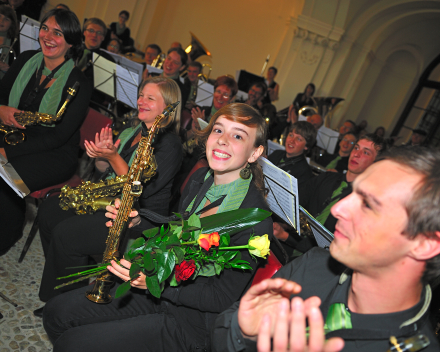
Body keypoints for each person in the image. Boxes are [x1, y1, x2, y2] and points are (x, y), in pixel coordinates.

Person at [43, 103, 274, 352]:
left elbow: (220, 297)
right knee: (56, 312)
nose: (223, 140)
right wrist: (137, 221)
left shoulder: (254, 220)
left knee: (72, 344)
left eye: (238, 135)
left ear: (254, 153)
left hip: (190, 324)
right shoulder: (201, 179)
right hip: (160, 288)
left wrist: (158, 283)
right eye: (218, 130)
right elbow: (174, 229)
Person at [213, 146, 440, 352]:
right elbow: (218, 336)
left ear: (424, 244)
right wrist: (242, 332)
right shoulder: (315, 264)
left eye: (369, 204)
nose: (339, 209)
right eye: (353, 193)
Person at [35, 77, 183, 314]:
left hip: (140, 217)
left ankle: (64, 304)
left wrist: (114, 157)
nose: (140, 101)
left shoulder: (170, 144)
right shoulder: (135, 129)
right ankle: (63, 284)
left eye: (150, 98)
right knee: (50, 211)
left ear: (167, 107)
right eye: (141, 95)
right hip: (113, 200)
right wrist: (102, 157)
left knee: (67, 235)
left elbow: (139, 191)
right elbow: (107, 172)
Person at [0, 8, 91, 255]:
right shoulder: (26, 58)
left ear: (71, 42)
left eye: (58, 33)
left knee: (5, 178)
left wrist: (6, 151)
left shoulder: (79, 83)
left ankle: (7, 233)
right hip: (16, 135)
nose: (48, 37)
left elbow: (58, 136)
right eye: (45, 28)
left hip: (55, 153)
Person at [273, 134, 386, 256]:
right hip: (288, 243)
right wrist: (283, 225)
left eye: (366, 153)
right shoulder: (326, 177)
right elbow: (294, 204)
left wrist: (286, 237)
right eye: (356, 148)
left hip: (316, 260)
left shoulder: (365, 203)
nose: (356, 154)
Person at [77, 17, 114, 106]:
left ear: (103, 38)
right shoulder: (71, 49)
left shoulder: (108, 61)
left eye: (99, 33)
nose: (94, 35)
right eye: (91, 30)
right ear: (84, 32)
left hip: (89, 104)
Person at [268, 121, 316, 189]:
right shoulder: (277, 153)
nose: (292, 141)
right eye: (291, 135)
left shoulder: (304, 173)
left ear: (306, 146)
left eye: (298, 139)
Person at [0, 4, 18, 79]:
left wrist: (7, 69)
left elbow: (16, 71)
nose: (1, 21)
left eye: (6, 19)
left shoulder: (15, 44)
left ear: (12, 24)